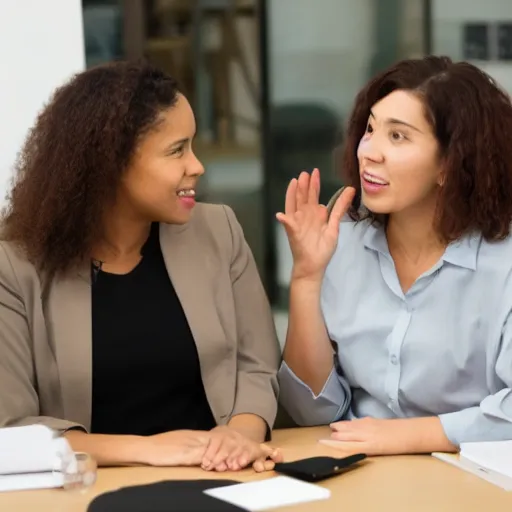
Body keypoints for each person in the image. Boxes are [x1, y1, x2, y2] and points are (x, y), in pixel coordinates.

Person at [0, 61, 282, 473]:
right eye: (176, 150)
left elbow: (257, 368)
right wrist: (148, 449)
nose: (197, 165)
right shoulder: (14, 265)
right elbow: (13, 427)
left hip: (223, 477)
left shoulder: (218, 230)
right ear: (109, 164)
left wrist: (238, 436)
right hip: (87, 491)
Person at [277, 55, 512, 456]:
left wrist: (408, 436)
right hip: (355, 470)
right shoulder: (344, 245)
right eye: (370, 129)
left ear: (450, 164)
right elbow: (312, 410)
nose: (369, 152)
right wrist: (306, 277)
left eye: (398, 136)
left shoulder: (501, 263)